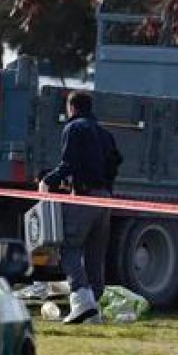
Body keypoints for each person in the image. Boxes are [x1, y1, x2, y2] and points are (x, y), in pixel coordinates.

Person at [39, 91, 120, 324]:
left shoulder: (74, 128)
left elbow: (69, 162)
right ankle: (94, 306)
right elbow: (115, 163)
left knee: (69, 247)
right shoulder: (105, 133)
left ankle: (82, 301)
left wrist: (49, 181)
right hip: (105, 198)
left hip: (84, 195)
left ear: (71, 107)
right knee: (95, 254)